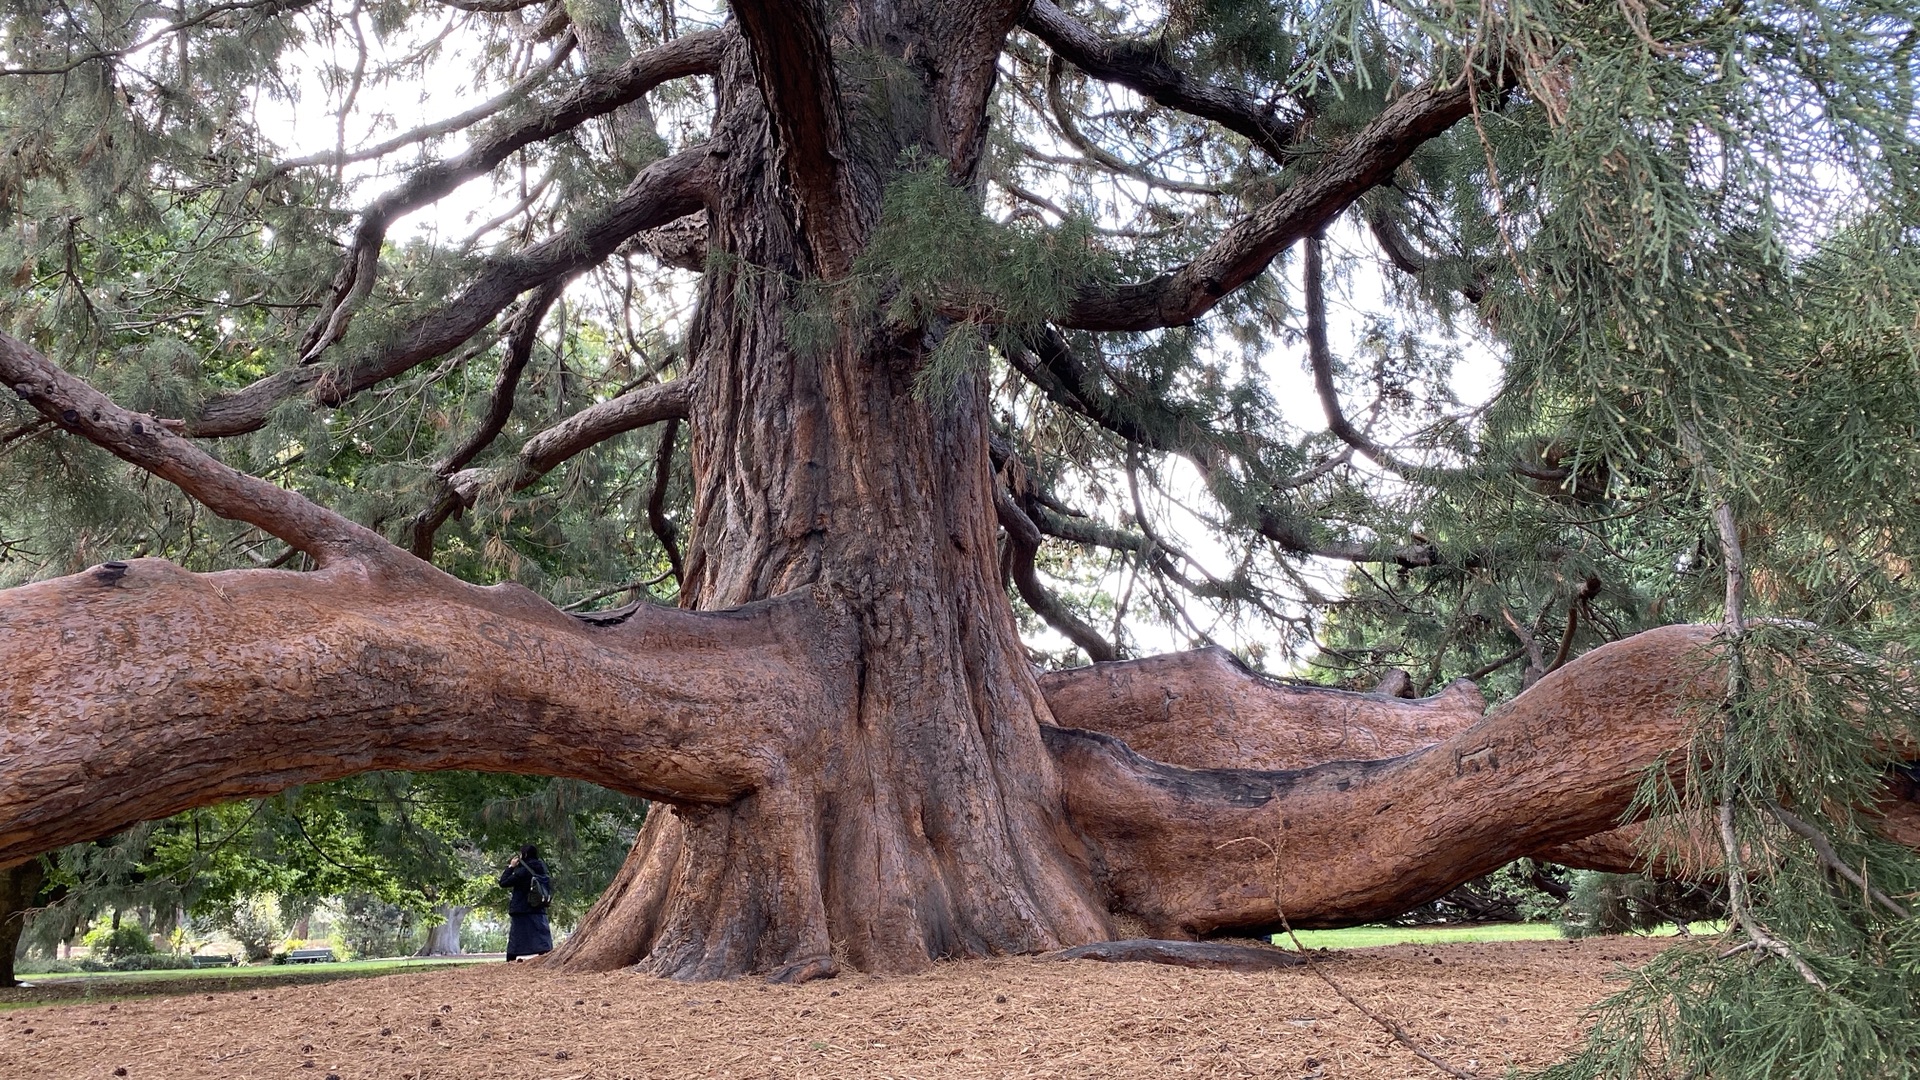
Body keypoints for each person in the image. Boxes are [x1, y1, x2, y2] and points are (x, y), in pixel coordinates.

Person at [498, 844, 553, 962]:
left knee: (516, 938)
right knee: (541, 938)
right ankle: (545, 957)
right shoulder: (542, 868)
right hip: (539, 908)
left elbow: (503, 883)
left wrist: (511, 867)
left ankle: (511, 960)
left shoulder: (523, 871)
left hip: (522, 909)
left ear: (525, 855)